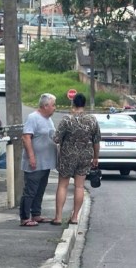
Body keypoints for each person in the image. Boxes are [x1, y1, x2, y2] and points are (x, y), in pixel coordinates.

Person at [51, 93, 101, 225]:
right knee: (79, 186)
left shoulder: (67, 119)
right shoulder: (92, 120)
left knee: (63, 185)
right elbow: (96, 141)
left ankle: (58, 217)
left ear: (73, 104)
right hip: (85, 155)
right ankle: (74, 217)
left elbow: (56, 138)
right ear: (84, 104)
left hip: (68, 155)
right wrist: (96, 157)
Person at [19, 93, 57, 227]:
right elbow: (26, 137)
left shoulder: (49, 119)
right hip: (35, 162)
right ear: (45, 106)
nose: (55, 108)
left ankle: (36, 214)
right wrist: (31, 156)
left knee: (40, 189)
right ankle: (24, 218)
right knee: (30, 190)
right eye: (53, 105)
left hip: (46, 162)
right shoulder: (33, 117)